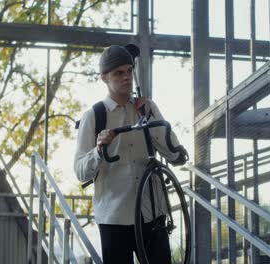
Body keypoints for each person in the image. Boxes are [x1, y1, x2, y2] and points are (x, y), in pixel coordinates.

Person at [74, 45, 188, 264]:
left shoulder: (146, 108)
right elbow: (80, 171)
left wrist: (151, 117)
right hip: (113, 217)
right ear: (104, 78)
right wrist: (99, 150)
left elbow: (175, 155)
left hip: (152, 214)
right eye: (118, 73)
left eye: (129, 70)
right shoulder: (94, 116)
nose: (126, 77)